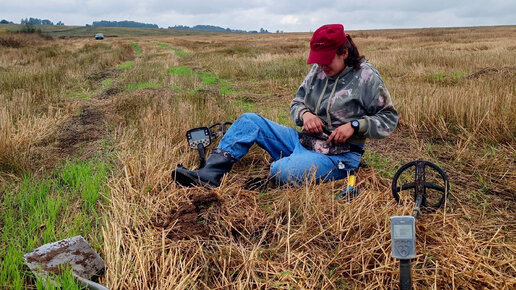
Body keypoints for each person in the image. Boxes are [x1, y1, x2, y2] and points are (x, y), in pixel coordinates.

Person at [172, 24, 398, 188]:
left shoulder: (367, 77)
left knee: (281, 170)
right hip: (303, 141)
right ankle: (208, 175)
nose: (321, 65)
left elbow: (388, 118)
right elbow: (297, 103)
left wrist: (355, 125)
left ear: (344, 52)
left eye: (326, 59)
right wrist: (305, 114)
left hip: (339, 157)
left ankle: (291, 168)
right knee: (249, 120)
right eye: (318, 60)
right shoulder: (318, 70)